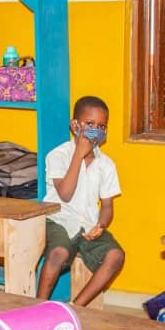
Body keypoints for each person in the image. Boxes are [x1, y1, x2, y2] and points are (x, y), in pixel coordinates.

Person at [37, 95, 124, 306]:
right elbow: (65, 194)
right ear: (74, 125)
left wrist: (101, 225)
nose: (96, 130)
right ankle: (37, 307)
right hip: (59, 219)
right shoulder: (57, 156)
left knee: (116, 256)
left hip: (89, 224)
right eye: (90, 124)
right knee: (58, 253)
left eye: (102, 126)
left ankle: (76, 307)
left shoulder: (106, 165)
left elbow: (108, 205)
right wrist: (79, 153)